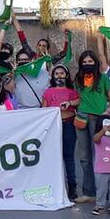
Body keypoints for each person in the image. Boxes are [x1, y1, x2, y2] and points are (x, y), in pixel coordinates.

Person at [73, 50, 110, 203]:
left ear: (95, 63)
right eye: (84, 62)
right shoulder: (78, 79)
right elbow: (79, 100)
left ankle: (105, 192)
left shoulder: (104, 78)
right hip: (81, 119)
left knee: (101, 156)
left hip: (98, 121)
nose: (87, 65)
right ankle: (88, 192)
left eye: (90, 62)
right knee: (85, 158)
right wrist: (70, 104)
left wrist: (107, 112)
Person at [43, 64, 80, 201]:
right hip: (53, 127)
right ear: (53, 76)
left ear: (66, 75)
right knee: (53, 157)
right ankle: (55, 185)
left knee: (68, 157)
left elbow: (78, 100)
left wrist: (69, 103)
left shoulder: (71, 91)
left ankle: (72, 186)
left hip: (69, 124)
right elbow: (44, 108)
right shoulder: (48, 92)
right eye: (56, 73)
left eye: (62, 73)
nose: (59, 76)